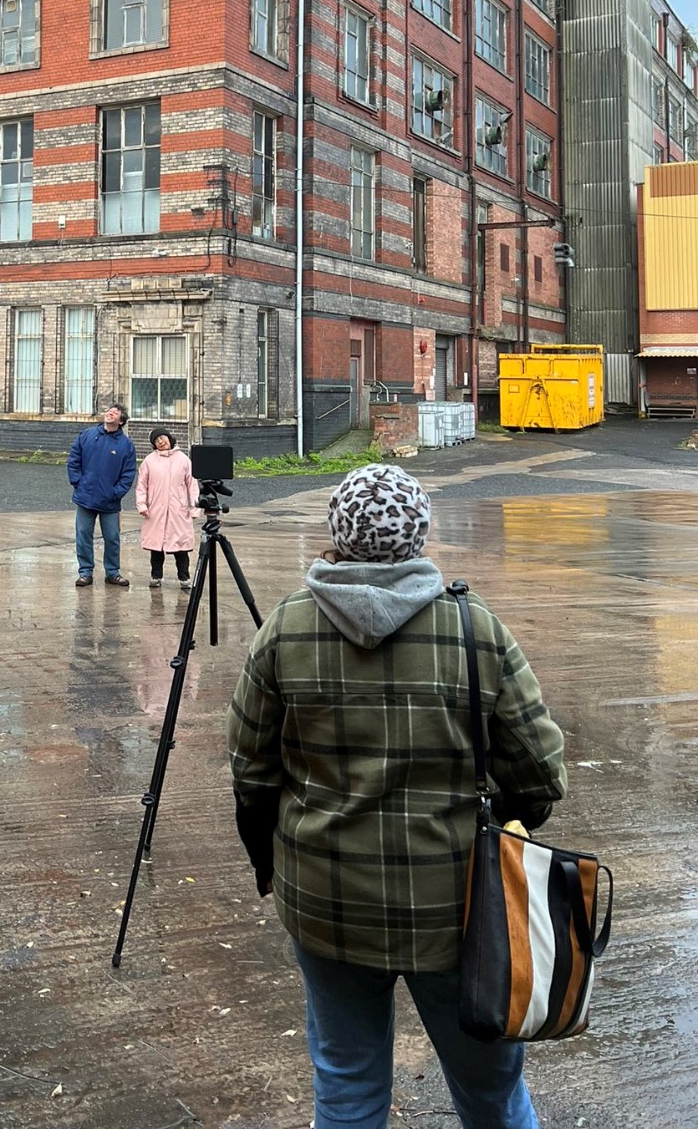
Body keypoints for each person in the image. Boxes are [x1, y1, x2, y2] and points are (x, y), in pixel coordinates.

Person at [227, 462, 566, 1129]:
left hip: (325, 900)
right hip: (461, 907)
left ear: (337, 529)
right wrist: (512, 818)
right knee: (490, 1093)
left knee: (347, 1087)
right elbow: (540, 770)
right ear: (419, 531)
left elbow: (249, 768)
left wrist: (272, 859)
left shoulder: (285, 630)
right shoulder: (476, 630)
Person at [66, 400, 137, 588]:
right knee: (83, 535)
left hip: (110, 501)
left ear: (121, 421)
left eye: (115, 412)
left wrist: (116, 493)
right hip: (85, 497)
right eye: (109, 411)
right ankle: (85, 572)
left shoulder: (126, 445)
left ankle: (112, 573)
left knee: (112, 537)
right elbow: (74, 461)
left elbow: (128, 474)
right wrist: (78, 484)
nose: (110, 413)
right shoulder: (86, 436)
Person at [135, 426, 197, 590]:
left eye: (162, 438)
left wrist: (194, 508)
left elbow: (192, 485)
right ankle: (156, 576)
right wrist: (142, 504)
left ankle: (184, 577)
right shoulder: (149, 461)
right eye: (156, 441)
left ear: (169, 439)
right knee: (156, 546)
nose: (161, 442)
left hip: (179, 510)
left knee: (180, 547)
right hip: (155, 509)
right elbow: (142, 486)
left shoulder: (183, 460)